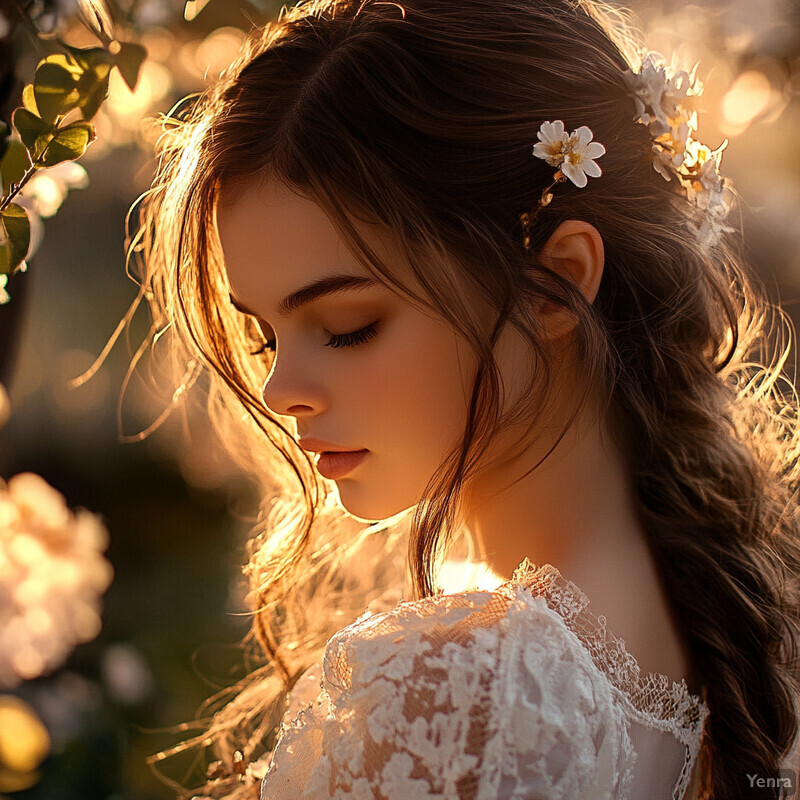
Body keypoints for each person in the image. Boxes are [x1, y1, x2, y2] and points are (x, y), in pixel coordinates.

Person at [131, 0, 800, 797]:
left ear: (554, 286)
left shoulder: (456, 693)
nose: (280, 392)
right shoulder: (741, 619)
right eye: (266, 337)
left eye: (347, 327)